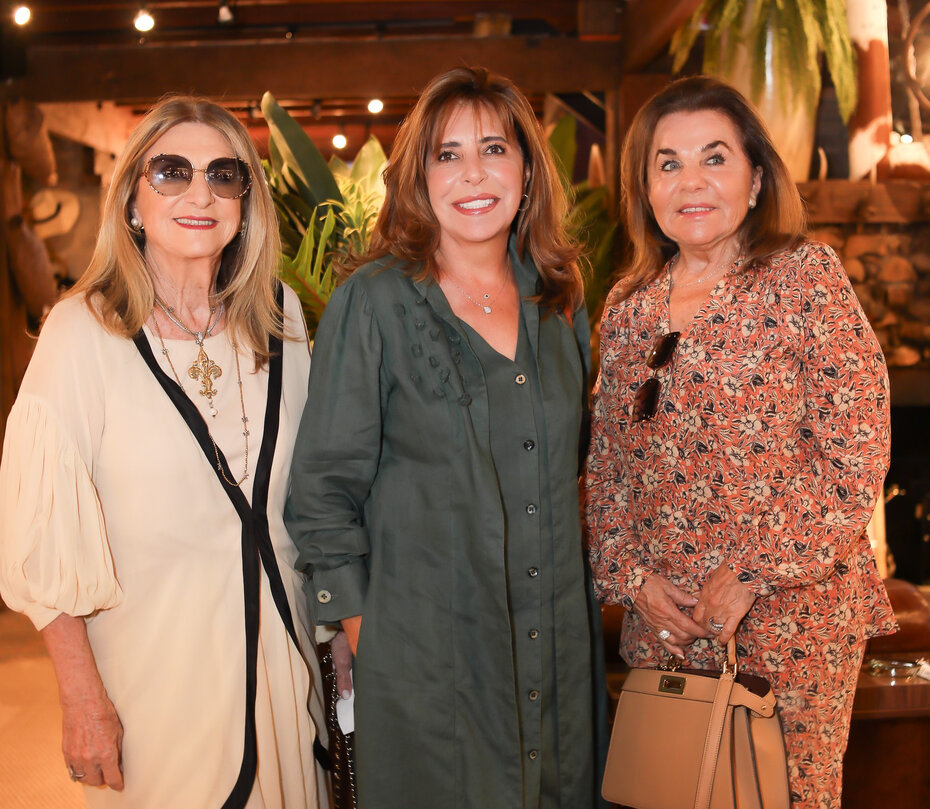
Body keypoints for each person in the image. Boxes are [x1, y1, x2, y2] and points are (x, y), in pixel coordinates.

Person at [286, 65, 606, 809]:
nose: (473, 174)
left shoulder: (561, 301)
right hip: (427, 667)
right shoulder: (372, 302)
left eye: (494, 149)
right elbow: (323, 493)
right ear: (419, 176)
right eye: (447, 153)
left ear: (527, 170)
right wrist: (375, 640)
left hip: (556, 656)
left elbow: (576, 467)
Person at [0, 96, 332, 809]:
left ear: (247, 200)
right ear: (131, 199)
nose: (200, 193)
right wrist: (82, 698)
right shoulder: (81, 334)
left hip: (283, 672)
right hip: (155, 686)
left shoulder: (281, 320)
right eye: (171, 171)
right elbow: (41, 543)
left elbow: (315, 499)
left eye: (224, 174)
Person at [584, 75, 896, 808]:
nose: (691, 181)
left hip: (792, 625)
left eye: (714, 158)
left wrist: (752, 571)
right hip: (666, 628)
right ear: (645, 188)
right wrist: (634, 581)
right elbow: (607, 473)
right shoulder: (626, 310)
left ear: (755, 177)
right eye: (669, 163)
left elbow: (857, 453)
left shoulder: (803, 279)